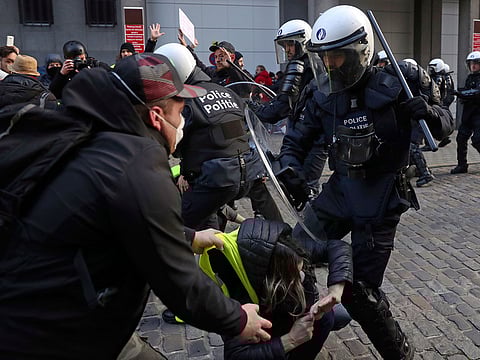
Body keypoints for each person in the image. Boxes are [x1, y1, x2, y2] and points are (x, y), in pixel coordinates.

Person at [0, 53, 272, 359]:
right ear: (156, 116)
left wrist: (190, 237)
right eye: (181, 110)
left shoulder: (100, 135)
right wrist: (239, 320)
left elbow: (124, 218)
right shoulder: (138, 164)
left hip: (53, 305)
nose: (184, 120)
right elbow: (178, 283)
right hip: (51, 332)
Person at [278, 5, 454, 359]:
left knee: (362, 291)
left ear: (361, 51)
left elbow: (445, 125)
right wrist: (290, 168)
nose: (329, 66)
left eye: (338, 58)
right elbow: (296, 139)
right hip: (339, 190)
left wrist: (429, 113)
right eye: (324, 58)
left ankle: (398, 352)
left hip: (381, 198)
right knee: (288, 256)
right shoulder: (320, 93)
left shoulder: (398, 84)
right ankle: (307, 323)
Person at [155, 43, 282, 231]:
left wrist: (185, 172)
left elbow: (176, 144)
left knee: (174, 227)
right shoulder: (225, 91)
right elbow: (239, 129)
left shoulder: (187, 101)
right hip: (247, 171)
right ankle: (292, 247)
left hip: (216, 178)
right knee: (267, 221)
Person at [199, 218, 353, 359]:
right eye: (293, 277)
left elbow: (339, 247)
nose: (301, 277)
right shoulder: (238, 298)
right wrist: (290, 340)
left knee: (335, 316)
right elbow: (235, 356)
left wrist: (335, 291)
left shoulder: (288, 249)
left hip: (288, 313)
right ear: (272, 279)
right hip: (268, 328)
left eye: (302, 270)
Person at [251, 19, 327, 198]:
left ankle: (312, 223)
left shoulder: (300, 66)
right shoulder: (311, 64)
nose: (287, 50)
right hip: (307, 132)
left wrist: (255, 108)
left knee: (306, 188)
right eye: (284, 45)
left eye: (290, 44)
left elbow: (281, 106)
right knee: (295, 181)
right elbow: (277, 90)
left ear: (303, 42)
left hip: (313, 135)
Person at [451, 51, 480, 174]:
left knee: (478, 140)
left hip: (479, 114)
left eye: (476, 63)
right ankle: (462, 165)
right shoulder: (470, 77)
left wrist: (461, 94)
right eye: (471, 63)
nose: (473, 66)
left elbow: (476, 92)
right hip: (469, 114)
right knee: (461, 138)